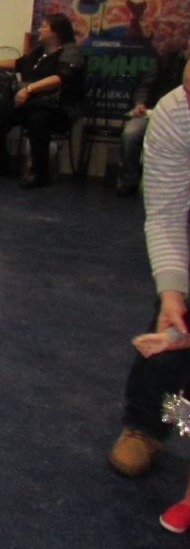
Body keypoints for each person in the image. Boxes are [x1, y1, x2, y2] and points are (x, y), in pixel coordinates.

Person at [108, 71, 190, 478]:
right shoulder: (175, 112)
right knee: (172, 324)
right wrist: (173, 291)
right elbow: (166, 214)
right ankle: (147, 424)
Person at [0, 12, 85, 188]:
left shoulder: (71, 52)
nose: (39, 30)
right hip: (32, 103)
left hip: (58, 107)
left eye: (44, 26)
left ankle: (39, 173)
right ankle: (0, 164)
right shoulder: (39, 51)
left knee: (38, 119)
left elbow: (61, 78)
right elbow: (19, 63)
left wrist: (29, 89)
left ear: (56, 32)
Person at [118, 41, 184, 196]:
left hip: (180, 117)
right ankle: (129, 180)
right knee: (130, 134)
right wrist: (140, 103)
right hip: (152, 110)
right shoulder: (166, 60)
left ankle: (170, 185)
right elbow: (144, 86)